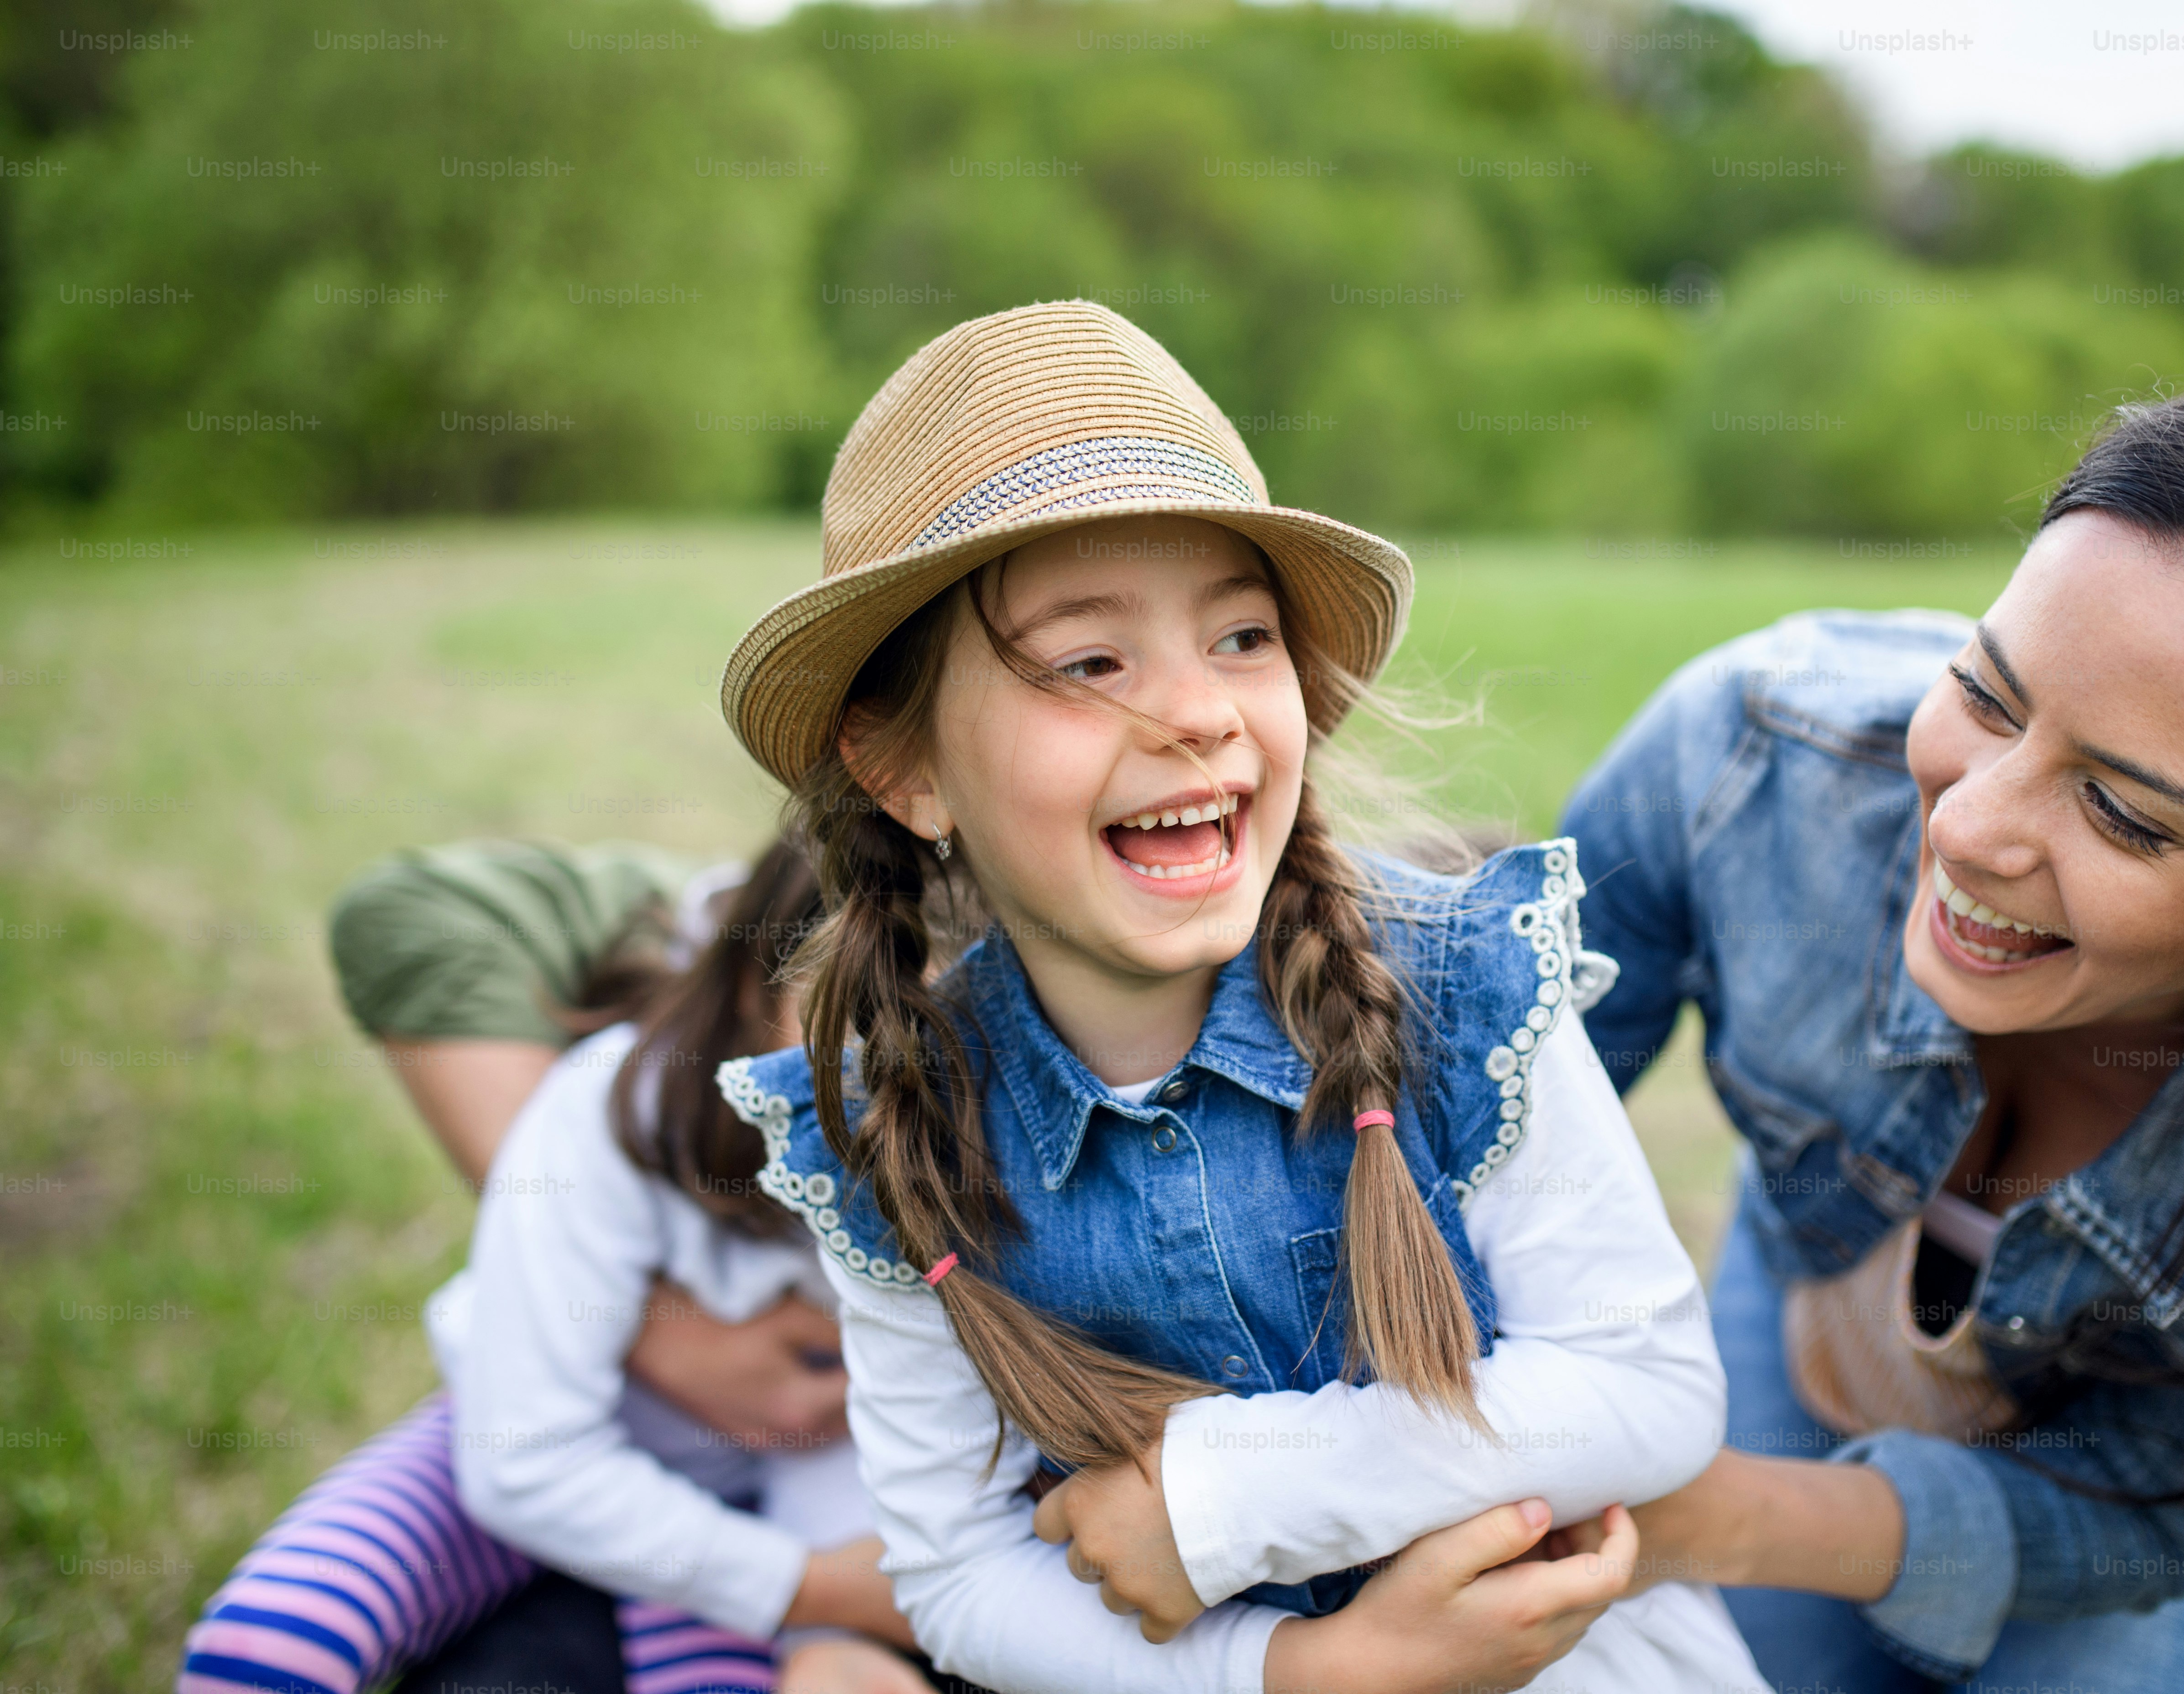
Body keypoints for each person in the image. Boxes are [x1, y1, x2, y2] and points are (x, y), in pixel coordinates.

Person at [706, 298, 1765, 1694]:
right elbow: (957, 1573)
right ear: (906, 772)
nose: (1198, 710)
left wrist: (1220, 1501)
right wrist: (1297, 1672)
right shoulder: (905, 1125)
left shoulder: (1451, 989)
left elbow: (1646, 1388)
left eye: (1243, 638)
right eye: (1089, 661)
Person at [1559, 352, 2184, 1693]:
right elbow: (1474, 1142)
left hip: (2136, 1492)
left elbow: (2158, 1507)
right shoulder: (1747, 763)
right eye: (1987, 692)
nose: (1967, 825)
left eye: (2127, 814)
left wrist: (1728, 1518)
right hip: (1815, 1326)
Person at [181, 839, 924, 1693]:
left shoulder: (990, 1171)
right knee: (273, 1639)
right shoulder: (610, 1108)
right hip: (534, 1451)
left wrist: (826, 1621)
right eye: (859, 1010)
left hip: (792, 1495)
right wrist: (804, 1588)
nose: (904, 1061)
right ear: (760, 982)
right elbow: (525, 1459)